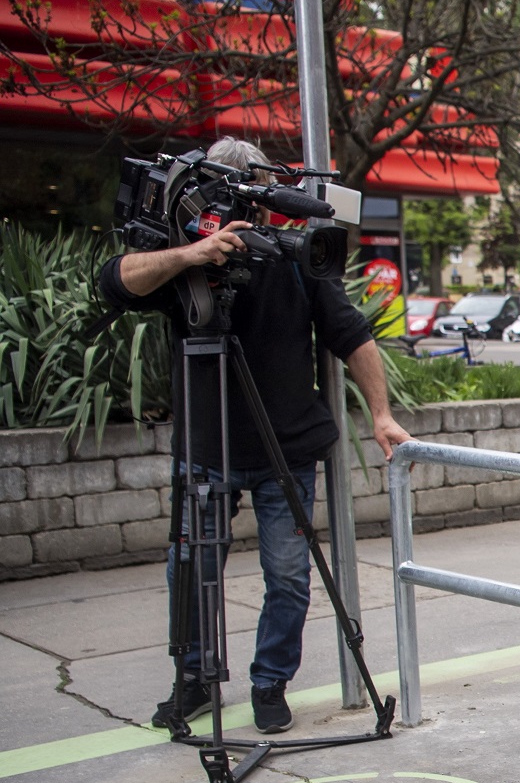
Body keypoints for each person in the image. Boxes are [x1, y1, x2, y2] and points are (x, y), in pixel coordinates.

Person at [98, 137, 411, 735]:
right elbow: (115, 280)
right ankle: (193, 679)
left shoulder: (291, 258)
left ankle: (270, 683)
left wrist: (381, 413)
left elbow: (352, 335)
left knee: (288, 575)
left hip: (285, 449)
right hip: (206, 447)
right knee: (190, 569)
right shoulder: (183, 256)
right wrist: (192, 254)